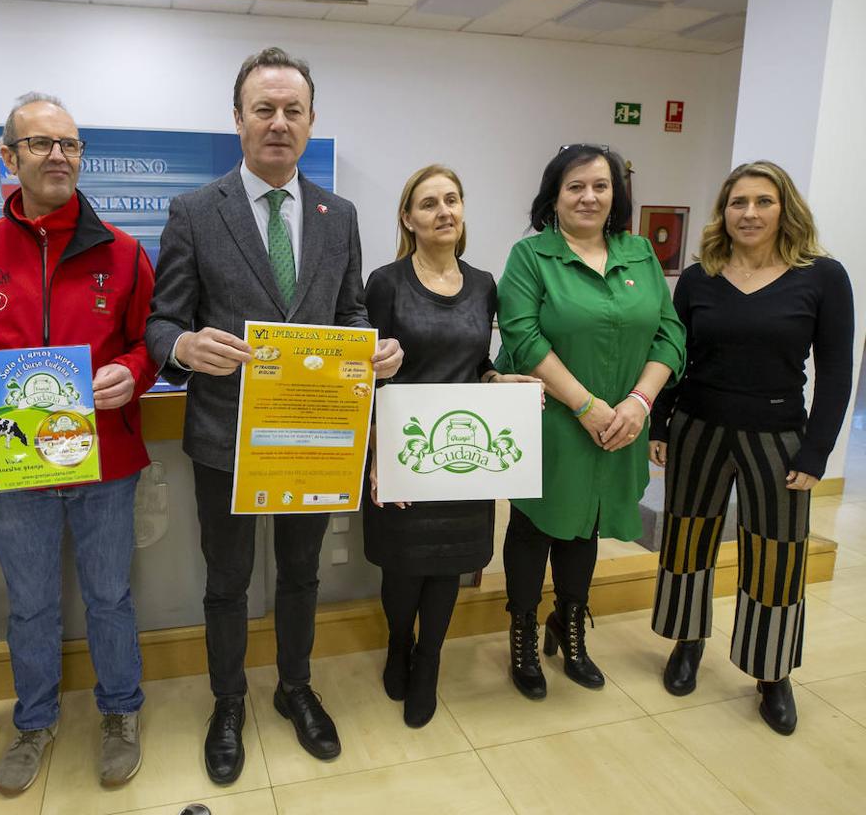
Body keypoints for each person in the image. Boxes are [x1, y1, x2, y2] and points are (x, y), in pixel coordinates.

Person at [146, 46, 403, 785]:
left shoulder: (339, 213)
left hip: (314, 436)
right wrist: (188, 346)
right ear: (238, 121)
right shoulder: (194, 212)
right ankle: (229, 703)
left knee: (300, 575)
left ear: (311, 120)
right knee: (226, 580)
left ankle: (294, 688)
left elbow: (349, 311)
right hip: (225, 437)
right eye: (264, 109)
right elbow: (162, 324)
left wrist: (371, 352)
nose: (279, 123)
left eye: (294, 110)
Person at [0, 93, 158, 794]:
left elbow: (149, 342)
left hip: (105, 459)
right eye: (40, 144)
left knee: (110, 597)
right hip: (14, 460)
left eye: (69, 144)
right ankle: (34, 722)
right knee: (29, 602)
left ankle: (121, 712)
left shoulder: (123, 252)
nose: (58, 155)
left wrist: (133, 371)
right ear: (9, 156)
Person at [648, 161, 853, 735]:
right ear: (724, 212)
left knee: (778, 555)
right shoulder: (699, 278)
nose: (750, 213)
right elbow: (674, 354)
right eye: (738, 202)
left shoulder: (823, 278)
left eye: (763, 201)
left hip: (779, 439)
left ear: (784, 208)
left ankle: (771, 673)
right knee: (688, 540)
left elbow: (837, 372)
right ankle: (687, 642)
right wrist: (661, 423)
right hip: (699, 428)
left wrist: (817, 453)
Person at [494, 143, 686, 700]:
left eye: (600, 186)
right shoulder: (531, 256)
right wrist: (586, 406)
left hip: (622, 423)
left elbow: (670, 334)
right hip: (551, 420)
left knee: (588, 525)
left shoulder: (641, 253)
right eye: (575, 186)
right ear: (554, 195)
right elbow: (522, 336)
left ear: (616, 195)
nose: (589, 196)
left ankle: (570, 625)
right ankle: (524, 632)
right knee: (535, 526)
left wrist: (639, 404)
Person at [364, 164, 539, 728]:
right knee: (403, 567)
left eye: (453, 200)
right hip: (405, 451)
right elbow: (366, 374)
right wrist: (373, 457)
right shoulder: (385, 283)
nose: (444, 211)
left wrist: (498, 382)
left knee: (448, 567)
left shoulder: (485, 283)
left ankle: (429, 660)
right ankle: (398, 642)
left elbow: (477, 364)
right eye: (429, 203)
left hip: (464, 457)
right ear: (407, 218)